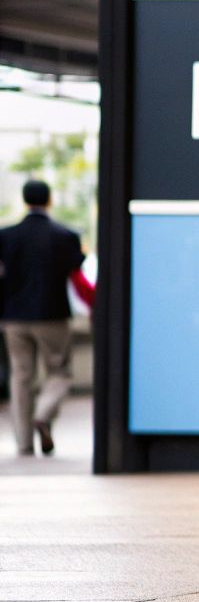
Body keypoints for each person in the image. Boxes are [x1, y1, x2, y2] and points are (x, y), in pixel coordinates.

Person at [0, 180, 91, 457]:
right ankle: (43, 414)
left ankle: (24, 443)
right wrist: (93, 303)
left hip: (13, 317)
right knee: (59, 372)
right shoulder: (66, 235)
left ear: (24, 200)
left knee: (21, 376)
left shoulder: (6, 236)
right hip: (52, 315)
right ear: (50, 200)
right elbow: (78, 277)